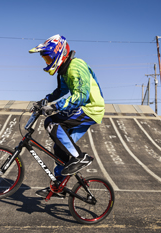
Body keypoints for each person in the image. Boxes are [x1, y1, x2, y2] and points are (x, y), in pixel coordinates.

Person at [29, 34, 105, 199]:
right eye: (46, 61)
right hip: (84, 109)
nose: (47, 63)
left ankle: (80, 157)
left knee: (52, 122)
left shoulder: (76, 66)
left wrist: (54, 107)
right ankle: (59, 186)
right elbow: (61, 91)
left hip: (90, 108)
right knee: (59, 146)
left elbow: (81, 96)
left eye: (49, 59)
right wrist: (45, 100)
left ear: (59, 54)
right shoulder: (63, 71)